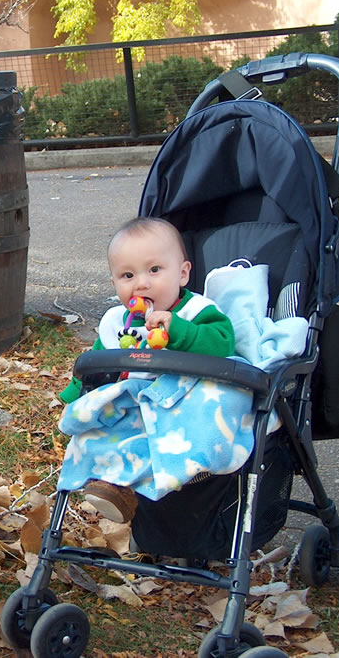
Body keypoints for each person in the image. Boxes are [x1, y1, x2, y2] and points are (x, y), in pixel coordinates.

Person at [58, 217, 236, 523]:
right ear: (114, 283)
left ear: (182, 273)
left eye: (154, 270)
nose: (141, 283)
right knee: (97, 434)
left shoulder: (197, 312)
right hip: (134, 408)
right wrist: (75, 394)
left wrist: (180, 331)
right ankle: (114, 485)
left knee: (184, 432)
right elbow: (99, 362)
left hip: (182, 407)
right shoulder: (117, 322)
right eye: (127, 275)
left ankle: (170, 476)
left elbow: (223, 346)